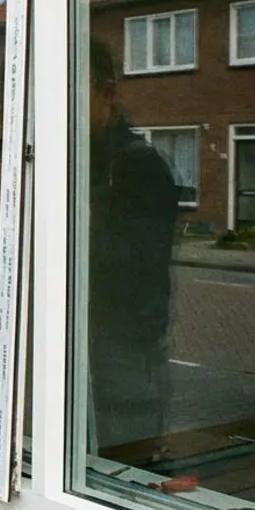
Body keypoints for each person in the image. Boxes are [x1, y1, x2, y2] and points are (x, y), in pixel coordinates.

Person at [83, 42, 179, 461]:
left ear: (107, 94)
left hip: (122, 362)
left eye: (73, 90)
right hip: (78, 355)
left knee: (125, 477)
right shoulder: (73, 161)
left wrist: (37, 208)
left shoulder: (141, 168)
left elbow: (133, 271)